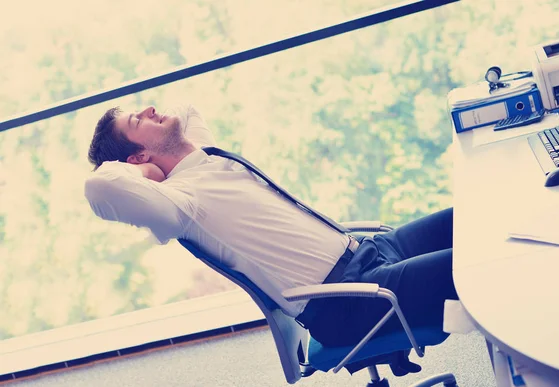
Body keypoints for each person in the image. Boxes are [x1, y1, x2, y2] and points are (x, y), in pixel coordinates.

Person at [85, 104, 458, 375]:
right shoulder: (182, 204)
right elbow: (100, 187)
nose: (151, 108)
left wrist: (151, 156)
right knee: (481, 261)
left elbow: (190, 111)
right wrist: (147, 172)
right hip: (351, 299)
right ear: (138, 158)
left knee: (471, 218)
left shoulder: (205, 160)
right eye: (138, 120)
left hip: (369, 253)